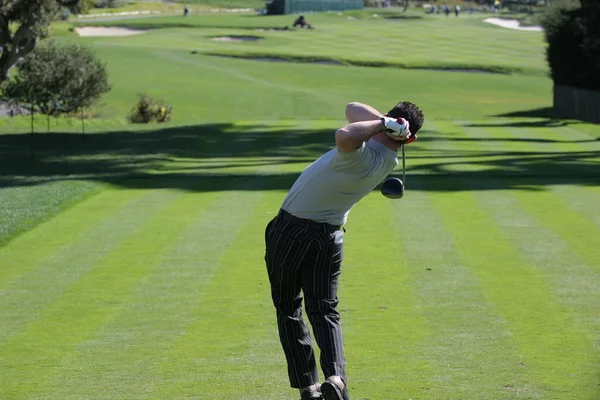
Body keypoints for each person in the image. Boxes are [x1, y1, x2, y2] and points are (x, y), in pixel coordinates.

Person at [264, 101, 424, 400]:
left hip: (292, 232)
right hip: (330, 237)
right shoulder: (389, 160)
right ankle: (336, 379)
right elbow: (353, 108)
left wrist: (382, 124)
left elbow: (344, 134)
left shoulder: (361, 155)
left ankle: (308, 388)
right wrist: (389, 124)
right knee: (324, 310)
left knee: (288, 307)